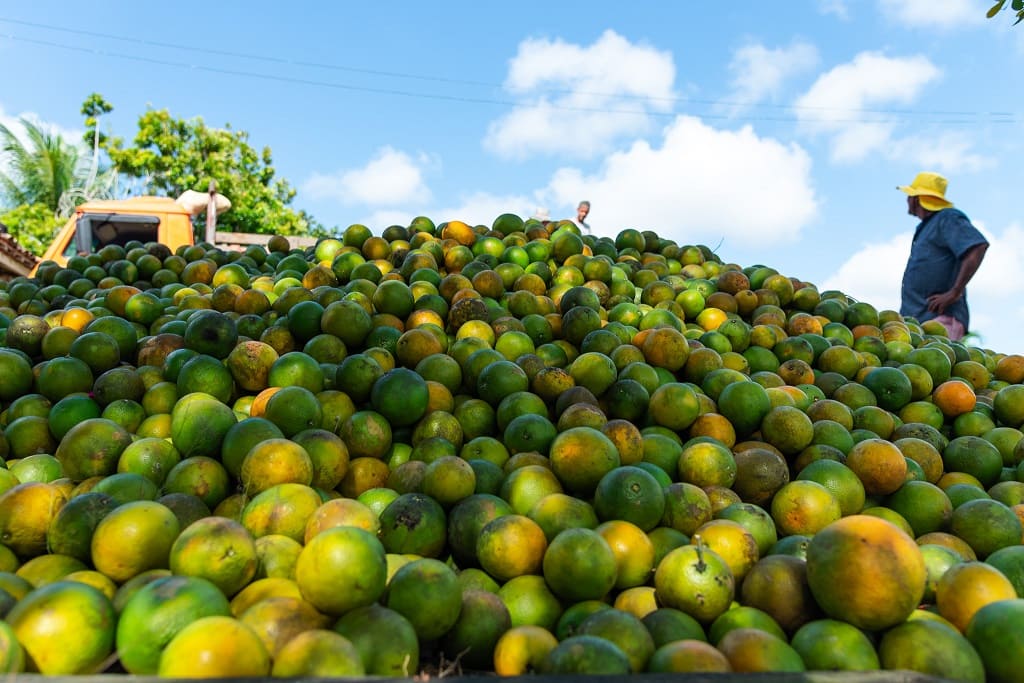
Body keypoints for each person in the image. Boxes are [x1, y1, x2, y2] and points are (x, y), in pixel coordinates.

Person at [898, 171, 988, 341]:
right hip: (919, 320)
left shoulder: (947, 218)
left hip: (940, 319)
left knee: (935, 363)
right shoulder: (926, 227)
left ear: (917, 198)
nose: (907, 200)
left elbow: (977, 246)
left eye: (910, 195)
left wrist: (955, 292)